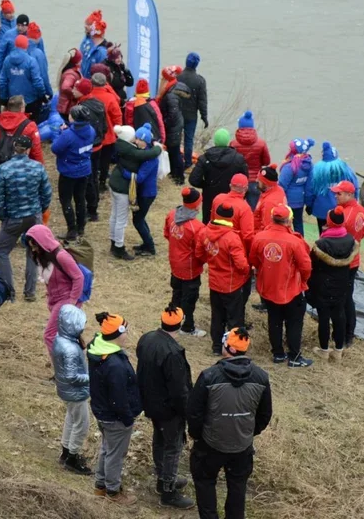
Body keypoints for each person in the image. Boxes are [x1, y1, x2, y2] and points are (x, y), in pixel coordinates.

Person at [187, 327, 272, 519]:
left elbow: (194, 413)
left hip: (210, 445)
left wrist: (198, 436)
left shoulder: (209, 376)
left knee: (205, 482)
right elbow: (265, 415)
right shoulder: (261, 377)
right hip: (242, 446)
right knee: (238, 486)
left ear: (229, 349)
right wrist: (248, 432)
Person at [136, 306, 196, 510]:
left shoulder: (146, 339)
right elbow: (180, 391)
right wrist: (188, 411)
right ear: (179, 324)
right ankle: (168, 491)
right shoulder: (173, 353)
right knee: (173, 447)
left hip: (151, 403)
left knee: (159, 439)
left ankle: (163, 477)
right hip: (169, 409)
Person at [87, 311, 141, 506]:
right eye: (125, 330)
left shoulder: (99, 349)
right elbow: (118, 397)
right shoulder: (115, 364)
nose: (128, 334)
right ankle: (113, 491)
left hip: (102, 412)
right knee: (115, 455)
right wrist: (128, 418)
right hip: (115, 417)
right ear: (118, 334)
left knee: (107, 449)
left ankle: (100, 486)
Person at [250, 205, 313, 367]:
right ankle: (294, 357)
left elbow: (254, 260)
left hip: (268, 288)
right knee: (294, 323)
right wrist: (303, 281)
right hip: (291, 290)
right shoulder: (295, 241)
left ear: (272, 219)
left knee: (274, 320)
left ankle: (278, 353)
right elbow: (306, 266)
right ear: (289, 221)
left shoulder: (259, 237)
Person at [0, 135, 51, 301]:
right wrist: (39, 210)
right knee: (33, 252)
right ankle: (30, 292)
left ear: (14, 147)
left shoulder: (4, 169)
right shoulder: (38, 168)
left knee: (1, 250)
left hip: (13, 218)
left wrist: (3, 217)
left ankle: (8, 291)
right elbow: (46, 193)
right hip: (33, 216)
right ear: (29, 149)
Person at [197, 202, 250, 355]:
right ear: (231, 217)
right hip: (231, 284)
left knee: (217, 315)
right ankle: (236, 348)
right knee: (234, 318)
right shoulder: (232, 238)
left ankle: (216, 346)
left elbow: (199, 254)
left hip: (214, 283)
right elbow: (241, 264)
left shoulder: (204, 232)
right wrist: (247, 271)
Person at [25, 224, 84, 353]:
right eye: (31, 247)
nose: (34, 250)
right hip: (56, 301)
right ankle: (73, 362)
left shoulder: (61, 256)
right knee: (65, 336)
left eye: (35, 246)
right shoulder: (43, 258)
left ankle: (62, 368)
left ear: (43, 243)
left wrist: (72, 302)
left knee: (50, 335)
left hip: (65, 300)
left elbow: (78, 277)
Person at [309, 207, 357, 360]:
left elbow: (312, 264)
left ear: (328, 222)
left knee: (324, 317)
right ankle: (338, 349)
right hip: (342, 283)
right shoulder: (350, 240)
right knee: (339, 315)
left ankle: (324, 349)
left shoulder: (321, 244)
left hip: (323, 285)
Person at [52, 305, 92, 476]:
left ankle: (66, 451)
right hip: (75, 392)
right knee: (82, 424)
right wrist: (93, 377)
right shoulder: (69, 348)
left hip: (67, 391)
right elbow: (72, 376)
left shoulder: (61, 338)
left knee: (71, 419)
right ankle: (72, 458)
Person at [165, 187, 207, 337]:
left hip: (175, 264)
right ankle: (187, 327)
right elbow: (200, 252)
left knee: (176, 294)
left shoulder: (171, 215)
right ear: (196, 205)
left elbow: (167, 234)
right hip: (190, 269)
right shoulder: (197, 227)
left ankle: (171, 322)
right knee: (189, 299)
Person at [106, 125, 153, 261]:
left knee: (114, 215)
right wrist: (157, 147)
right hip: (122, 188)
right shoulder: (131, 151)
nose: (136, 139)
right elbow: (146, 154)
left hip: (114, 184)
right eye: (134, 137)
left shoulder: (121, 146)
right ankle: (119, 248)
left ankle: (113, 242)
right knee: (121, 219)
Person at [51, 103, 95, 241]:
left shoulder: (68, 135)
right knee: (80, 198)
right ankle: (81, 227)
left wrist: (61, 133)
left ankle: (71, 230)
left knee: (66, 200)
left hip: (68, 172)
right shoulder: (91, 130)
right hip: (84, 169)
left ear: (74, 118)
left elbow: (55, 148)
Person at [333, 180, 364, 346]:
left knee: (343, 299)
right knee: (347, 297)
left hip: (344, 261)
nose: (335, 196)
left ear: (349, 195)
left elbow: (337, 238)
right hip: (354, 259)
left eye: (339, 193)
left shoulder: (344, 215)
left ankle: (346, 334)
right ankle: (347, 332)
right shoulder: (362, 211)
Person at [190, 129, 249, 226]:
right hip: (232, 198)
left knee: (208, 224)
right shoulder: (238, 159)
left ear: (215, 141)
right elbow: (245, 181)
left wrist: (206, 185)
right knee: (230, 225)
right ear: (228, 142)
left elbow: (194, 179)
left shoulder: (205, 158)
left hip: (210, 198)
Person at [70, 79, 106, 221]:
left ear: (82, 91)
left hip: (88, 147)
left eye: (75, 88)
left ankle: (91, 210)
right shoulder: (98, 103)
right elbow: (104, 125)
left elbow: (82, 129)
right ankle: (93, 205)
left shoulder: (84, 108)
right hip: (97, 144)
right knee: (93, 178)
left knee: (88, 179)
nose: (72, 89)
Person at [305, 142, 359, 232]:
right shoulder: (345, 170)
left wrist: (309, 205)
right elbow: (355, 187)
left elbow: (310, 191)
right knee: (341, 232)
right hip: (342, 209)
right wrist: (355, 202)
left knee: (323, 234)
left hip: (322, 210)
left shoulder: (316, 171)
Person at [87, 73, 123, 190]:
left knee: (93, 160)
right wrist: (117, 131)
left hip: (91, 135)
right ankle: (102, 182)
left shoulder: (88, 95)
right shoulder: (110, 97)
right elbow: (117, 116)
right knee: (105, 161)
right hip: (108, 135)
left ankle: (92, 181)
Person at [0, 95, 44, 168]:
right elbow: (36, 151)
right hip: (22, 168)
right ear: (22, 108)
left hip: (1, 165)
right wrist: (39, 168)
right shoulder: (30, 126)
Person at [131, 123, 161, 257]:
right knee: (140, 218)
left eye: (139, 139)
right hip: (145, 193)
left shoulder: (150, 159)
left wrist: (126, 173)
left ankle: (150, 247)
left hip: (146, 194)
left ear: (145, 141)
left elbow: (140, 177)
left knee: (138, 220)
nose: (136, 141)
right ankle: (146, 243)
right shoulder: (146, 153)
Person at [230, 111, 270, 210]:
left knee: (237, 209)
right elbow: (266, 161)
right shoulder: (261, 143)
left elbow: (230, 162)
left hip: (239, 180)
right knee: (254, 211)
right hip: (255, 181)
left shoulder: (233, 144)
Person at [0, 35, 46, 118]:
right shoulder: (31, 61)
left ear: (15, 45)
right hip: (30, 101)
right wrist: (42, 96)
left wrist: (4, 99)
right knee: (31, 125)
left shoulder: (7, 60)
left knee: (14, 125)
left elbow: (2, 81)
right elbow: (38, 82)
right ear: (26, 45)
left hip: (13, 102)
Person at [177, 52, 209, 173]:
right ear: (196, 65)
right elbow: (202, 101)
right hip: (191, 115)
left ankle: (176, 160)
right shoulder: (200, 81)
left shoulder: (178, 77)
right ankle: (188, 162)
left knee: (176, 137)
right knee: (188, 140)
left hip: (177, 113)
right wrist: (204, 116)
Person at [157, 66, 187, 184]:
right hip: (176, 125)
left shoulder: (170, 95)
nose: (161, 81)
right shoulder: (173, 89)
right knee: (174, 151)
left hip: (173, 127)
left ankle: (179, 178)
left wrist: (163, 123)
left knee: (175, 152)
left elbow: (172, 115)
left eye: (163, 79)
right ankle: (175, 174)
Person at [211, 174, 255, 253]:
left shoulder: (218, 198)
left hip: (216, 245)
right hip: (234, 248)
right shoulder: (245, 208)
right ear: (246, 188)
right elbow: (247, 236)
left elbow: (212, 221)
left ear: (230, 186)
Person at [279, 138, 315, 236]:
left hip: (287, 201)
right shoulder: (309, 165)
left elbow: (281, 185)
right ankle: (300, 243)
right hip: (300, 201)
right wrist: (309, 203)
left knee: (285, 224)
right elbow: (309, 187)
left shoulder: (289, 167)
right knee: (298, 224)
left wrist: (278, 201)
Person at [123, 79, 165, 143]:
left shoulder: (130, 104)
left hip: (136, 139)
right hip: (151, 138)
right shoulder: (152, 104)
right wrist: (162, 137)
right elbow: (159, 122)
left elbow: (129, 122)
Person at [26, 22, 52, 120]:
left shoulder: (18, 50)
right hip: (33, 96)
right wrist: (48, 92)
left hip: (19, 97)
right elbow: (43, 76)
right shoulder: (38, 54)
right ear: (38, 37)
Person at [253, 164, 288, 232]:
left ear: (265, 183)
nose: (256, 180)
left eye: (259, 180)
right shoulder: (277, 189)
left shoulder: (269, 203)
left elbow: (268, 227)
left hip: (261, 234)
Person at [55, 49, 83, 121]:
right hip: (67, 108)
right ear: (76, 61)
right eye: (80, 59)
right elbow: (65, 87)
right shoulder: (71, 74)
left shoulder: (69, 70)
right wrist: (75, 94)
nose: (82, 61)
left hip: (65, 106)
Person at [78, 10, 108, 78]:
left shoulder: (102, 52)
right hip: (81, 82)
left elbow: (101, 77)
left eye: (88, 24)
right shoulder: (86, 41)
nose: (85, 26)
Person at [104, 46, 134, 112]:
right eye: (117, 58)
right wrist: (121, 101)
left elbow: (130, 83)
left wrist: (126, 71)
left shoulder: (120, 66)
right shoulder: (107, 69)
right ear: (111, 58)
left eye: (120, 57)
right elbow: (109, 89)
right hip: (114, 102)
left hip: (122, 100)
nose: (119, 59)